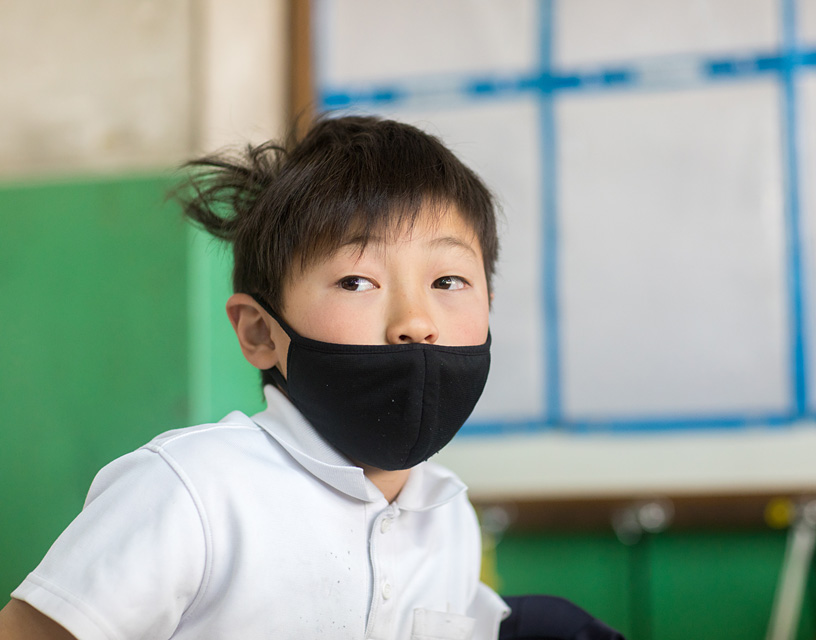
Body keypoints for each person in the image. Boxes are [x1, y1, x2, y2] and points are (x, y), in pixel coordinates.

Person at [0, 115, 510, 640]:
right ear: (261, 332)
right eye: (356, 281)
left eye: (448, 280)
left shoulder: (450, 517)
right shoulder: (190, 489)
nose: (416, 323)